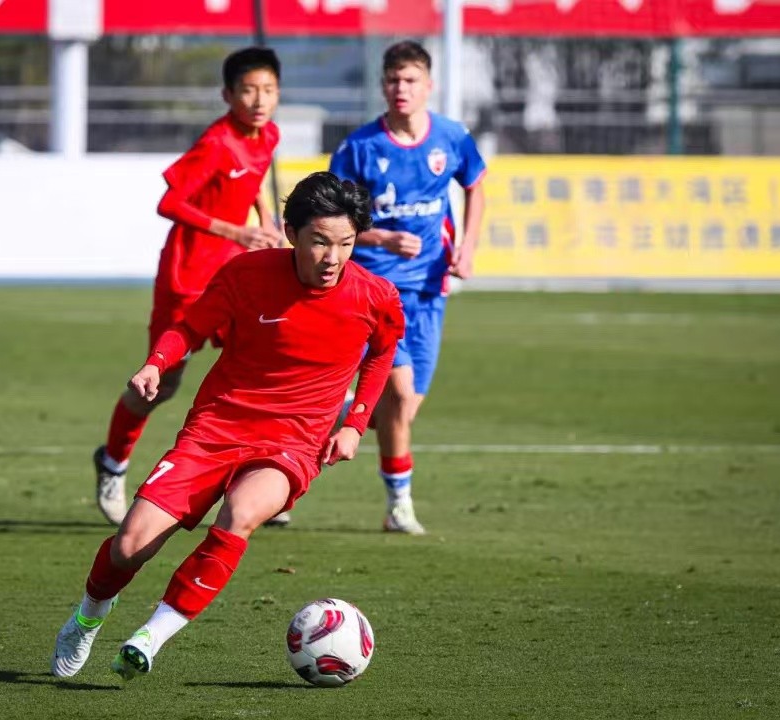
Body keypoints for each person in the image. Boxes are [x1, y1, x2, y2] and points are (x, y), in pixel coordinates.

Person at [51, 171, 405, 682]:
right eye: (320, 242)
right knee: (129, 546)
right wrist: (155, 364)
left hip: (294, 441)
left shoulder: (376, 296)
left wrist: (354, 423)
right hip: (216, 428)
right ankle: (88, 617)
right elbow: (190, 327)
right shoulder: (246, 274)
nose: (333, 257)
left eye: (346, 244)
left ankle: (150, 637)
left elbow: (382, 352)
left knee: (239, 513)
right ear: (291, 233)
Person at [93, 46, 284, 526]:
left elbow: (254, 177)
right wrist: (236, 230)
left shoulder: (268, 134)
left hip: (235, 276)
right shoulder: (216, 143)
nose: (259, 100)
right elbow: (170, 203)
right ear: (227, 95)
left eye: (268, 90)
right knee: (160, 384)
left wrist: (266, 218)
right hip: (188, 278)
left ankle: (256, 482)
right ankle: (113, 462)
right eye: (248, 90)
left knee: (255, 368)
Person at [327, 39, 487, 535]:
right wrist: (380, 237)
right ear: (383, 85)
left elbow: (476, 186)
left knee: (399, 410)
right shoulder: (360, 147)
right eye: (394, 80)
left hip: (430, 292)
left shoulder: (451, 138)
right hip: (375, 292)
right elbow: (332, 220)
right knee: (396, 394)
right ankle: (400, 505)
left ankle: (327, 416)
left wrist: (468, 247)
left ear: (428, 85)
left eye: (411, 79)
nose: (402, 88)